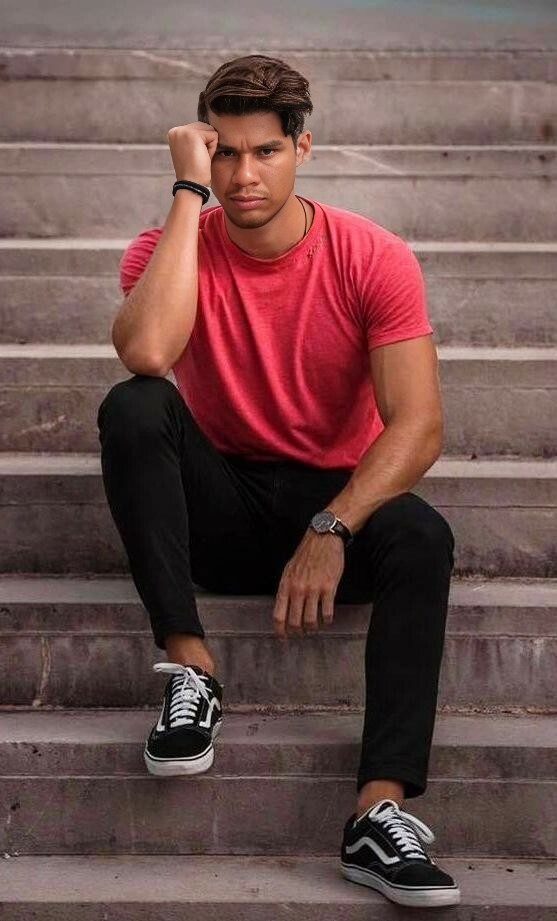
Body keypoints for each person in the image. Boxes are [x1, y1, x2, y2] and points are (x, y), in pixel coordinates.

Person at [96, 53, 460, 908]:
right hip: (219, 506)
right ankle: (191, 669)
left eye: (264, 151)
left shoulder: (371, 256)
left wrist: (332, 526)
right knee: (136, 405)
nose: (243, 175)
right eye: (223, 153)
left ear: (303, 148)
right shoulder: (169, 247)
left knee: (423, 535)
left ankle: (377, 811)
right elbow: (146, 352)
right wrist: (187, 194)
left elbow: (418, 424)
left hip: (330, 497)